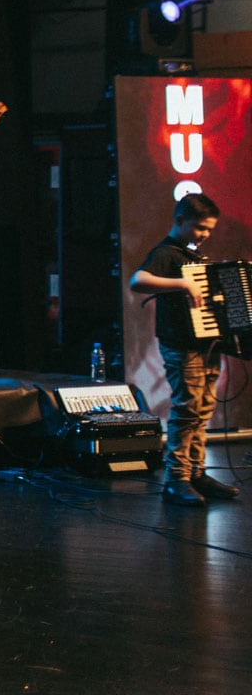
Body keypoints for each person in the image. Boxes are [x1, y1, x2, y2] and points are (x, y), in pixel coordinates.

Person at [129, 193, 240, 506]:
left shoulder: (193, 256)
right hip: (180, 344)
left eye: (209, 230)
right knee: (186, 408)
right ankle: (176, 478)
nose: (205, 235)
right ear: (180, 221)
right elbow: (138, 281)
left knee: (202, 408)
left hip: (205, 344)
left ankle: (196, 472)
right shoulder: (166, 252)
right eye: (200, 228)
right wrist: (183, 284)